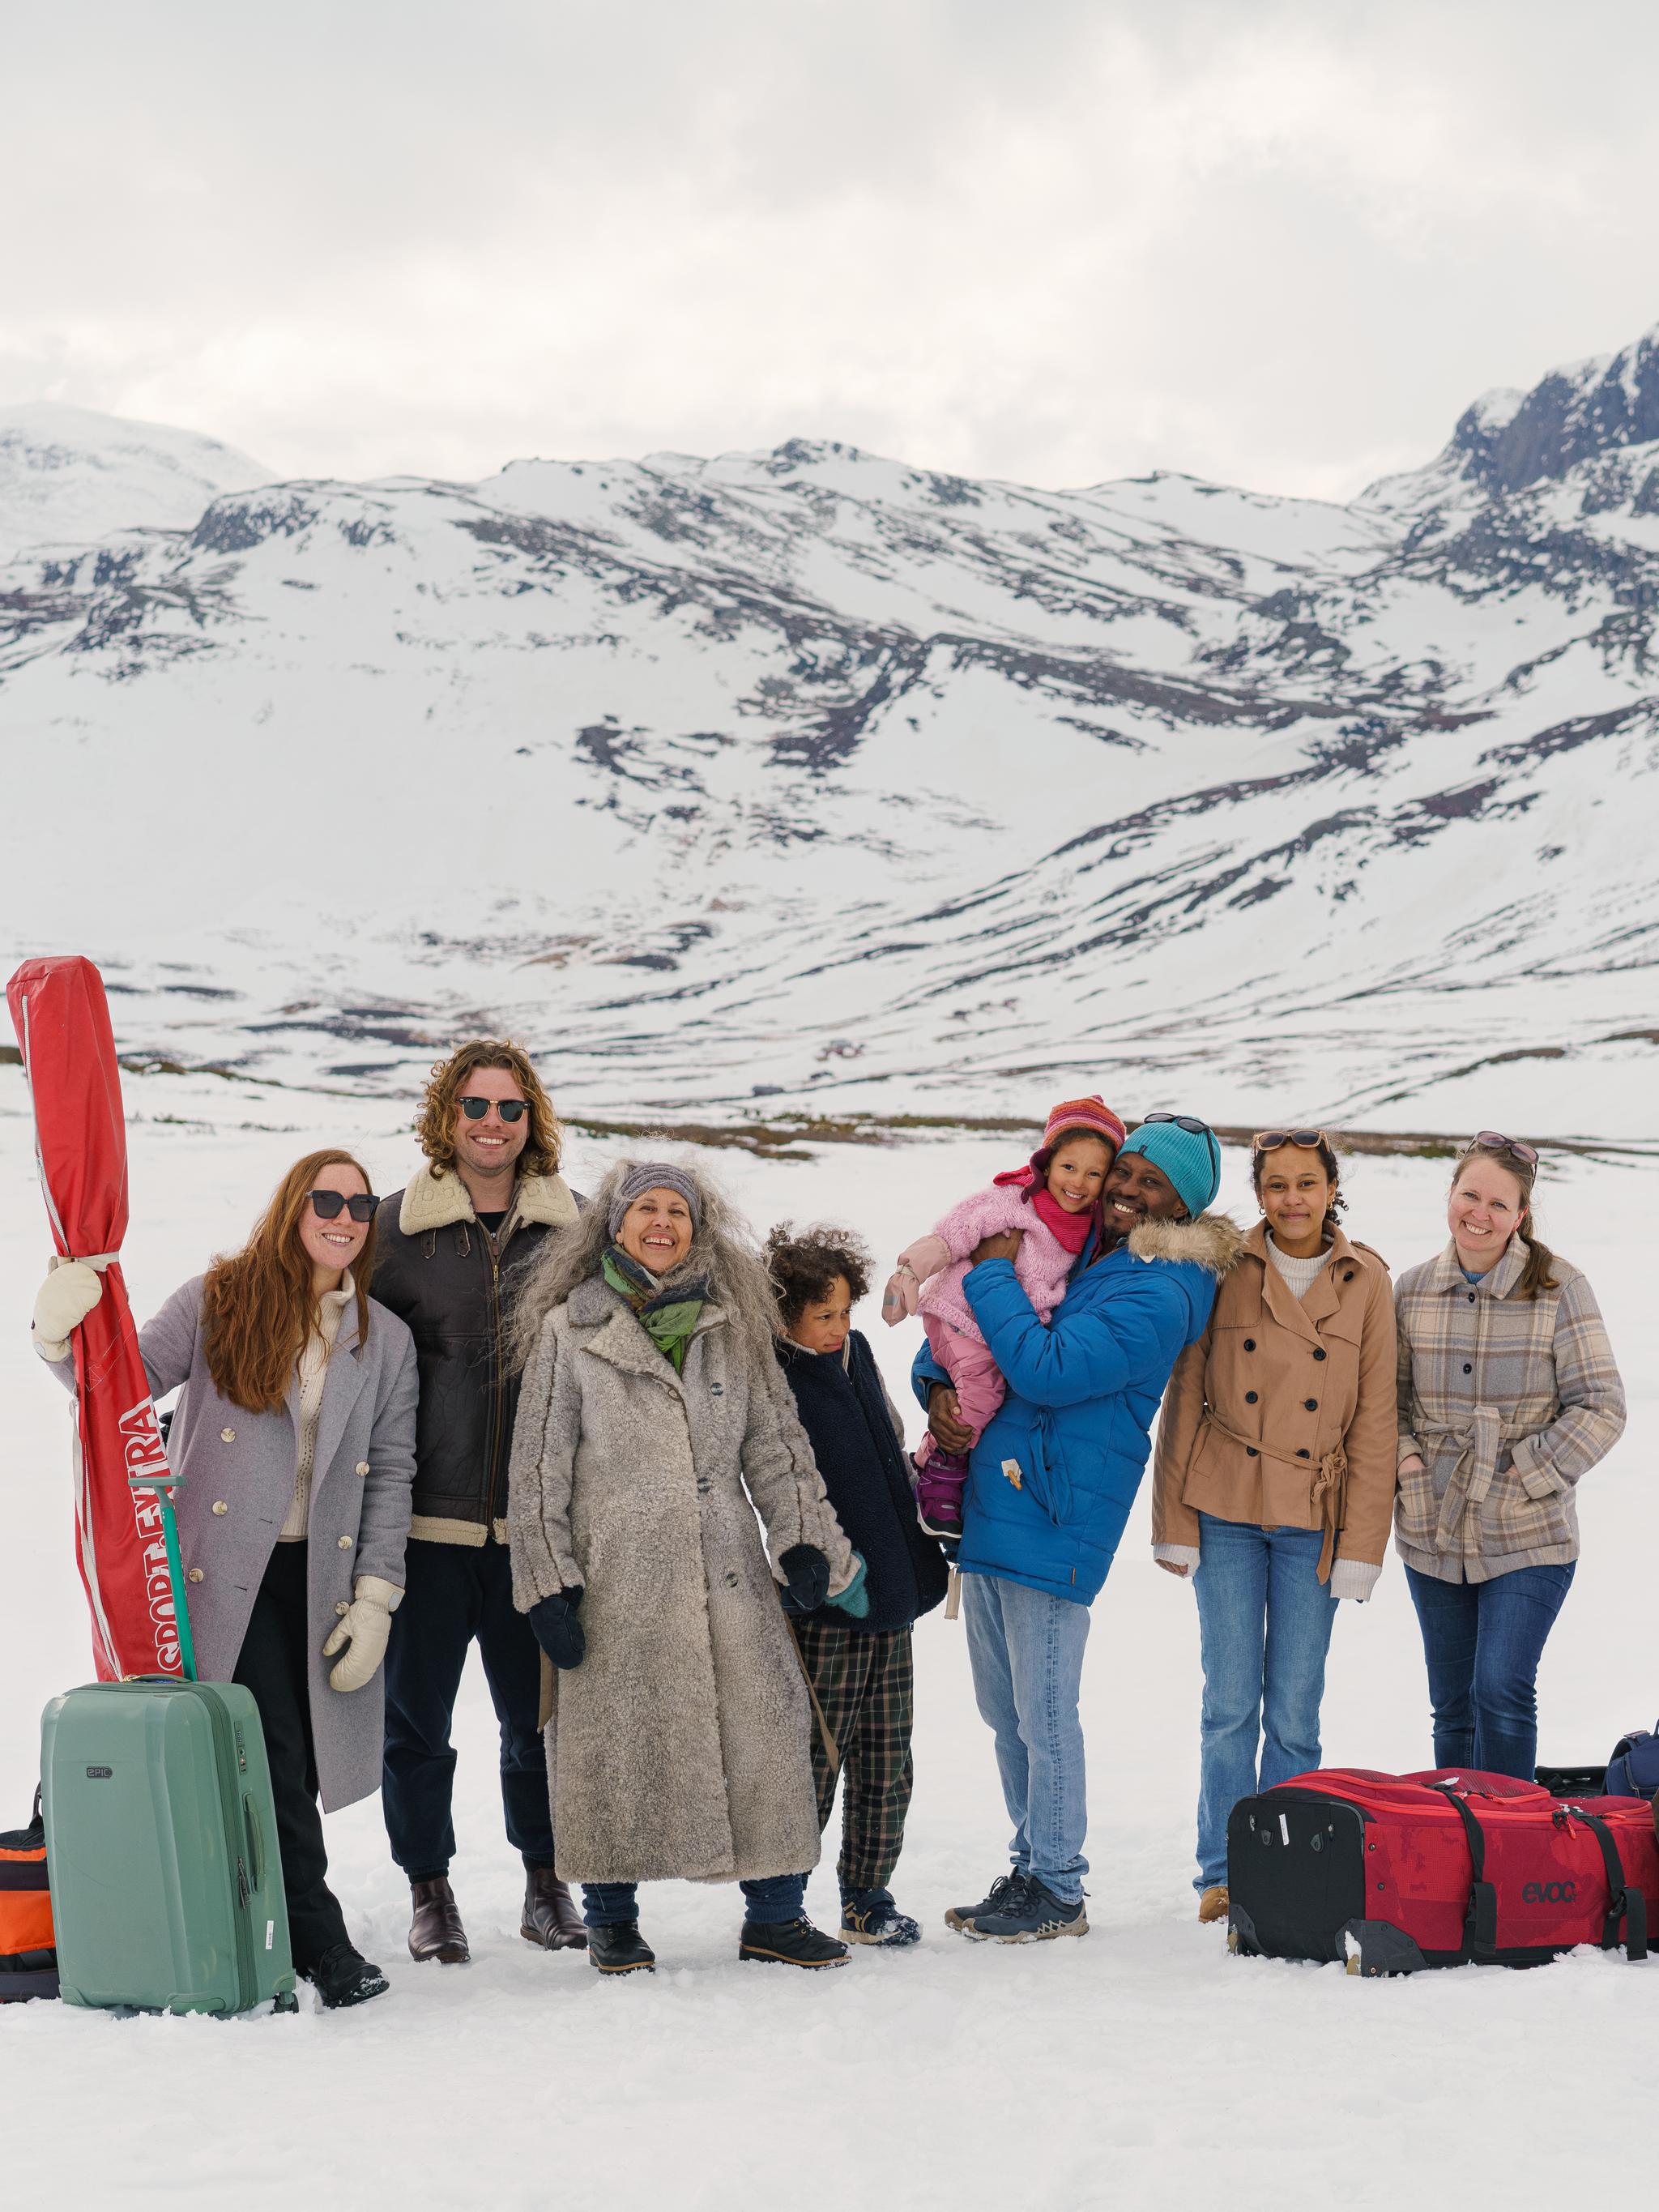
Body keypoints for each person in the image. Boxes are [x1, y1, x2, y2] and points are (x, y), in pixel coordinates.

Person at [30, 1151, 416, 2009]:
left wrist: (377, 1595)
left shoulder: (383, 1339)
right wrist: (59, 1333)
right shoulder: (220, 1299)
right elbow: (115, 1391)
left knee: (288, 1768)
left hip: (319, 1577)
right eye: (326, 1199)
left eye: (359, 1204)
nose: (345, 1216)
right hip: (219, 1574)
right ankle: (321, 1942)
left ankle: (251, 1920)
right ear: (292, 1206)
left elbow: (391, 1470)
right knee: (270, 1752)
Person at [507, 1163, 867, 1974]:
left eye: (677, 1210)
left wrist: (803, 1540)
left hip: (725, 1568)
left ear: (698, 1228)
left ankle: (774, 1915)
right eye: (645, 1210)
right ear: (614, 1225)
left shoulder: (732, 1328)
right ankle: (610, 1921)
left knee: (763, 1733)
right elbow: (536, 1471)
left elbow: (776, 1446)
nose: (661, 1223)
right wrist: (548, 1582)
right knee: (612, 1744)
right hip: (613, 1576)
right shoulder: (569, 1330)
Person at [918, 1113, 1242, 1943]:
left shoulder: (1165, 1290)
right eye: (1124, 1173)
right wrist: (936, 1392)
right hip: (999, 1498)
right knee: (1004, 1711)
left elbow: (1047, 1369)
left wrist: (990, 1268)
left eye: (1151, 1185)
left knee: (1044, 1712)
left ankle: (1057, 1886)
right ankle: (1030, 1863)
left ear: (1184, 1204)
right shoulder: (1082, 1251)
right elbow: (962, 1330)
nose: (1126, 1191)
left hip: (1057, 1514)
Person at [369, 1040, 585, 1965]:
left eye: (508, 1107)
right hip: (422, 1525)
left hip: (534, 1526)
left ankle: (547, 1883)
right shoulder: (391, 1227)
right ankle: (430, 1891)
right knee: (417, 1724)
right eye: (473, 1107)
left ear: (530, 1120)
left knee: (535, 1721)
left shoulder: (576, 1227)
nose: (490, 1123)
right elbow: (328, 1327)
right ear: (445, 1117)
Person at [1150, 1129, 1397, 1924]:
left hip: (1312, 1520)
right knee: (1227, 1703)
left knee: (1293, 1709)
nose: (1292, 1198)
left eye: (1306, 1183)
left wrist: (1362, 1546)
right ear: (1258, 1194)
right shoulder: (1223, 1267)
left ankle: (1285, 1862)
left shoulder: (1365, 1281)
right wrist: (1172, 1519)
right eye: (1276, 1185)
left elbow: (1374, 1424)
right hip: (1223, 1507)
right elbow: (1185, 1391)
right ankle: (1221, 1872)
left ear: (1331, 1190)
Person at [1394, 1132, 1624, 1781]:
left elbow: (1602, 1403)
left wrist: (1526, 1472)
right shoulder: (1411, 1290)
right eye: (1470, 1195)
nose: (1480, 1214)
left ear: (1521, 1215)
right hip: (1431, 1529)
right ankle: (1457, 1842)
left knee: (1500, 1690)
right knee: (1453, 1707)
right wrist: (1410, 1469)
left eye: (1499, 1204)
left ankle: (1511, 1849)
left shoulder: (1559, 1288)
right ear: (1451, 1195)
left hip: (1531, 1532)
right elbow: (1386, 1403)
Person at [766, 1223, 950, 1946]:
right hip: (829, 1607)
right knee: (815, 1760)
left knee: (886, 1760)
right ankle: (782, 1900)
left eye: (846, 1312)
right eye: (824, 1316)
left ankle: (868, 1894)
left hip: (893, 1598)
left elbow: (887, 1441)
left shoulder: (858, 1354)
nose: (842, 1328)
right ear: (784, 1317)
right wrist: (838, 1578)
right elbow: (786, 1491)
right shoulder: (774, 1378)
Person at [881, 1096, 1125, 1538]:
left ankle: (939, 1464)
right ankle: (934, 1469)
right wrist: (910, 1271)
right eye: (1069, 1167)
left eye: (1094, 1174)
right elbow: (955, 1232)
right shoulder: (1013, 1202)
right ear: (1047, 1162)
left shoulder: (1088, 1228)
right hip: (962, 1313)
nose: (1079, 1183)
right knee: (981, 1394)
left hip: (999, 1329)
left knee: (986, 1393)